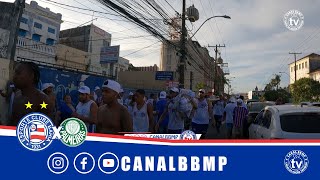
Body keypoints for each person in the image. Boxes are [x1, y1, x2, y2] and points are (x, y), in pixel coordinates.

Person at [9, 61, 53, 126]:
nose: (14, 76)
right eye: (14, 73)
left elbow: (46, 130)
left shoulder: (42, 100)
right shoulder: (17, 94)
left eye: (18, 73)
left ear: (31, 76)